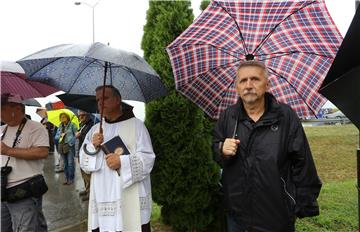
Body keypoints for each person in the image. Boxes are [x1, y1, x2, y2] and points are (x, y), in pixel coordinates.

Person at [213, 61, 322, 232]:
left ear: (267, 84)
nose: (248, 85)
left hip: (276, 215)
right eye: (243, 81)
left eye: (255, 79)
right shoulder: (228, 117)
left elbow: (303, 162)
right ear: (237, 87)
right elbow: (216, 154)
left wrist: (302, 204)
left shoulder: (285, 117)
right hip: (237, 216)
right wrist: (221, 149)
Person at [79, 85, 155, 232]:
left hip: (128, 196)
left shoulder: (137, 126)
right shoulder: (95, 130)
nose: (100, 103)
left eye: (105, 98)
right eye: (97, 100)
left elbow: (148, 158)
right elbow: (83, 162)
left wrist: (123, 162)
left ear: (118, 99)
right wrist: (92, 147)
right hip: (102, 196)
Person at [1, 93, 49, 232]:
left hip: (25, 191)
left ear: (15, 108)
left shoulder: (36, 127)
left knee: (27, 228)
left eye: (1, 109)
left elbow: (42, 152)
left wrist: (9, 151)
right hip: (3, 190)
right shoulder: (2, 129)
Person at [54, 112, 77, 185]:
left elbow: (76, 135)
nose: (62, 119)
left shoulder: (72, 125)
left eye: (64, 117)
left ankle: (71, 178)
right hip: (61, 146)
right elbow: (56, 137)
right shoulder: (60, 126)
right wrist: (61, 135)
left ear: (67, 117)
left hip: (69, 146)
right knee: (65, 163)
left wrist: (71, 142)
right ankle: (66, 178)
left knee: (70, 163)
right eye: (61, 117)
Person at [75, 110, 93, 201]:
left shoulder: (92, 124)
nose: (80, 118)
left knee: (88, 173)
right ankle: (87, 189)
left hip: (87, 153)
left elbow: (89, 139)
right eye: (79, 116)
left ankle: (91, 193)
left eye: (83, 115)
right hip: (81, 152)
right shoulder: (82, 124)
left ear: (88, 115)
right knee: (83, 172)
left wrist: (80, 135)